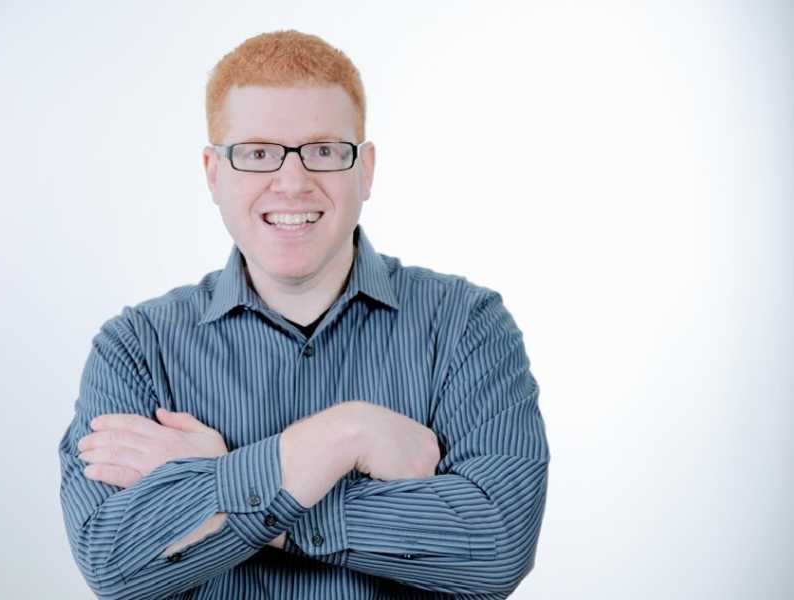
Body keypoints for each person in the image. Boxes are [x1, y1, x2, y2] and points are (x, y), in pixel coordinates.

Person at [58, 29, 550, 600]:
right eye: (258, 153)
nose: (292, 182)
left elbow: (495, 546)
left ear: (365, 170)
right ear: (214, 173)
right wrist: (342, 438)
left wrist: (226, 479)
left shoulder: (467, 324)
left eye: (323, 151)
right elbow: (116, 565)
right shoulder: (136, 348)